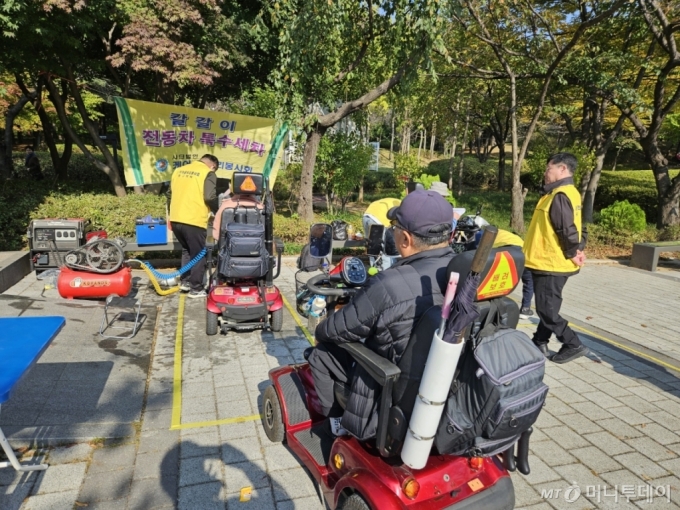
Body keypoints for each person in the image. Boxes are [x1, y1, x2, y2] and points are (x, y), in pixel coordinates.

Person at [307, 190, 456, 439]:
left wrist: (320, 332)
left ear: (405, 239)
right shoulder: (464, 272)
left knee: (321, 353)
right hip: (444, 383)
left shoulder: (390, 284)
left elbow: (338, 328)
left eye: (395, 226)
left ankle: (337, 428)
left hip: (388, 389)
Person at [523, 152, 588, 364]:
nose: (545, 173)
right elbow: (580, 227)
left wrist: (573, 252)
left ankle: (572, 343)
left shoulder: (560, 194)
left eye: (549, 168)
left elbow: (567, 229)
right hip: (552, 261)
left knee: (546, 310)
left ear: (562, 169)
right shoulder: (568, 192)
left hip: (551, 262)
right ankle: (539, 340)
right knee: (548, 306)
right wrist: (578, 249)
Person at [168, 155, 219, 298]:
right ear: (213, 166)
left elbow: (169, 195)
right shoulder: (208, 173)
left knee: (187, 251)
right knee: (198, 253)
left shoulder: (179, 170)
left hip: (176, 218)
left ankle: (185, 282)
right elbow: (209, 197)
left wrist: (171, 215)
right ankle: (196, 289)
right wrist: (219, 210)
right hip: (194, 219)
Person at [492, 229, 534, 319]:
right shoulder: (513, 236)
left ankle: (497, 305)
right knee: (529, 282)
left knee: (501, 278)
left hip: (507, 252)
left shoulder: (487, 233)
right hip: (524, 254)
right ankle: (525, 309)